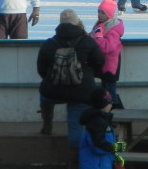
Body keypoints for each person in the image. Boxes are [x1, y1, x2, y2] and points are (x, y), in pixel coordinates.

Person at [37, 8, 106, 144]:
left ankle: (47, 121)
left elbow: (41, 70)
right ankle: (76, 154)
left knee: (44, 96)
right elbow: (100, 63)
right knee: (75, 126)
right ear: (77, 23)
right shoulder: (88, 42)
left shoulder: (49, 44)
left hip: (53, 89)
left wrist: (53, 78)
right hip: (82, 91)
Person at [92, 0, 126, 107]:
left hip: (110, 67)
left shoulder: (113, 29)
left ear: (110, 14)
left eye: (102, 12)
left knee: (109, 93)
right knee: (105, 92)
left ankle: (114, 113)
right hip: (103, 64)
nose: (99, 14)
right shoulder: (102, 25)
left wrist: (98, 36)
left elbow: (107, 47)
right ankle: (108, 111)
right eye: (99, 11)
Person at [78, 87, 120, 169]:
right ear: (102, 105)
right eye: (109, 102)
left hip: (103, 163)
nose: (111, 104)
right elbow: (98, 147)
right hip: (95, 165)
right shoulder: (96, 121)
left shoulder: (102, 120)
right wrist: (115, 147)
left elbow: (105, 142)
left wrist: (115, 158)